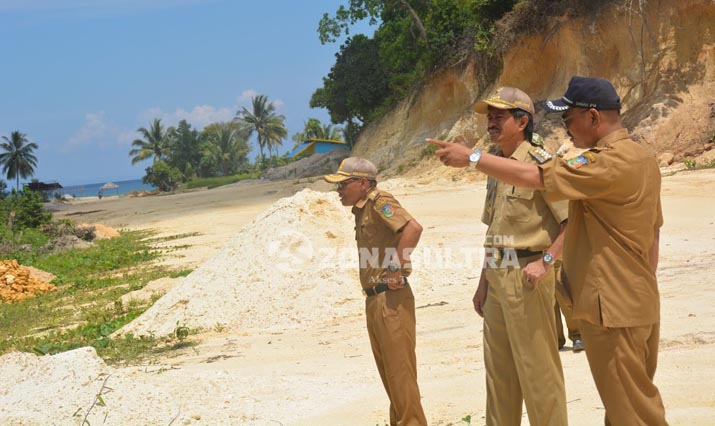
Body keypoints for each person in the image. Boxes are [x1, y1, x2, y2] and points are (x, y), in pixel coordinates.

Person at [428, 76, 667, 425]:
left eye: (568, 120)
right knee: (624, 408)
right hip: (631, 299)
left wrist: (472, 156)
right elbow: (653, 234)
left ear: (593, 118)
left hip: (610, 307)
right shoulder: (642, 159)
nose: (566, 129)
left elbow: (538, 180)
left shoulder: (605, 163)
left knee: (632, 413)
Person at [451, 87, 570, 425]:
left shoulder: (540, 164)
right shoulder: (497, 165)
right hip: (498, 279)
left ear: (522, 121)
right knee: (499, 378)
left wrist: (545, 263)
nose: (491, 121)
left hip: (528, 277)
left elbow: (573, 223)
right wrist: (482, 283)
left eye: (499, 115)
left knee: (539, 372)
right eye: (489, 115)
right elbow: (496, 232)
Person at [324, 157, 428, 426]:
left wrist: (396, 265)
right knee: (390, 374)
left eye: (343, 184)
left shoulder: (379, 200)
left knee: (400, 373)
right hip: (375, 299)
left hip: (391, 299)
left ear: (362, 183)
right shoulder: (362, 209)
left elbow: (413, 228)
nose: (339, 190)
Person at [554, 264, 584, 352]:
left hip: (557, 261)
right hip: (539, 260)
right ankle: (556, 339)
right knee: (549, 306)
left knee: (565, 300)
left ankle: (577, 336)